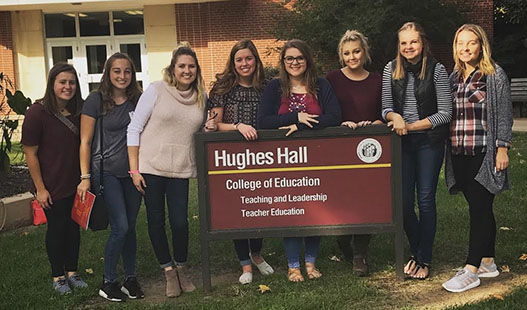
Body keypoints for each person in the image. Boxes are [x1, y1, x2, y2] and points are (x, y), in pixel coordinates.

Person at [127, 43, 216, 298]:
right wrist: (134, 170)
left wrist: (207, 129)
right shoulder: (156, 90)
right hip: (151, 168)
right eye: (182, 66)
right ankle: (168, 271)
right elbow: (134, 128)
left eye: (191, 66)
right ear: (173, 68)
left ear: (196, 69)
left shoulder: (202, 95)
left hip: (181, 169)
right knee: (156, 221)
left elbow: (199, 130)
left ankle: (182, 267)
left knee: (180, 222)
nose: (186, 70)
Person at [258, 39, 341, 282]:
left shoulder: (321, 85)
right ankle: (293, 265)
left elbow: (335, 116)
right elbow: (263, 121)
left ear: (307, 60)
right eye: (289, 58)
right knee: (292, 210)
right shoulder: (275, 88)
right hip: (285, 159)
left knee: (315, 208)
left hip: (317, 156)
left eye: (299, 58)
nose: (295, 62)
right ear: (283, 62)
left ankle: (311, 262)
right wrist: (294, 117)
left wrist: (304, 125)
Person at [442, 24, 513, 293]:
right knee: (480, 207)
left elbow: (504, 113)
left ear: (481, 45)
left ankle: (471, 269)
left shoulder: (494, 76)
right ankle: (488, 261)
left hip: (484, 152)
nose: (465, 48)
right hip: (460, 152)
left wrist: (502, 147)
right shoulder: (453, 78)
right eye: (461, 43)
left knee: (479, 209)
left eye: (471, 43)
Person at [381, 22, 452, 279]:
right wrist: (394, 116)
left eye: (413, 42)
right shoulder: (391, 69)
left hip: (428, 142)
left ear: (422, 43)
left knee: (425, 200)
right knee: (403, 203)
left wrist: (411, 126)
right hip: (401, 142)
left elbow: (445, 113)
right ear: (399, 46)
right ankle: (416, 250)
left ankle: (424, 258)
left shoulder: (437, 69)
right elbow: (385, 107)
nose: (408, 47)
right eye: (403, 43)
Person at [78, 53, 144, 301]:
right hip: (105, 172)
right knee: (120, 226)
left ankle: (130, 278)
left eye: (127, 71)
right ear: (108, 73)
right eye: (116, 71)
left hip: (133, 173)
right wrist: (85, 176)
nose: (122, 76)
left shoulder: (138, 99)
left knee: (131, 228)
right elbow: (84, 141)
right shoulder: (96, 100)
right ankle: (108, 281)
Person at [208, 39, 274, 284]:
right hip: (232, 158)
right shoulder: (223, 88)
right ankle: (244, 264)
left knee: (260, 205)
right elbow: (213, 124)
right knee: (239, 207)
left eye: (249, 58)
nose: (244, 64)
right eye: (239, 60)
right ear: (233, 63)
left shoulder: (268, 87)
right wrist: (237, 126)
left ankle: (256, 254)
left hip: (264, 156)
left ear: (255, 61)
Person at [22, 63, 87, 294]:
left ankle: (72, 271)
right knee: (57, 229)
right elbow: (30, 153)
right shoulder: (37, 112)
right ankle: (58, 276)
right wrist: (40, 189)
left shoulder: (79, 112)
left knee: (73, 228)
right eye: (62, 82)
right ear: (52, 84)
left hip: (76, 182)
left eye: (71, 82)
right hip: (51, 184)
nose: (67, 87)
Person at [326, 30, 383, 277]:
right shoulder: (331, 79)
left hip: (370, 149)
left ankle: (360, 254)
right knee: (340, 199)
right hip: (339, 148)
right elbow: (325, 112)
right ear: (341, 55)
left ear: (365, 52)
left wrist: (380, 123)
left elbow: (386, 111)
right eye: (347, 53)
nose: (352, 57)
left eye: (357, 51)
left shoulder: (378, 79)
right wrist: (338, 125)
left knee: (365, 201)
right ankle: (342, 240)